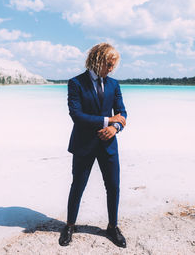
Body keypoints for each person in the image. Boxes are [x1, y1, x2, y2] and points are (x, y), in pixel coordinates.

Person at [59, 43, 127, 248]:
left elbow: (122, 113)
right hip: (83, 144)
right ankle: (70, 225)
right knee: (78, 186)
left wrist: (115, 128)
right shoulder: (76, 83)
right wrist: (108, 121)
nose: (111, 69)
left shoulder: (114, 84)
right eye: (108, 64)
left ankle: (112, 227)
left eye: (113, 65)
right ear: (97, 60)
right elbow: (77, 116)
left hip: (109, 145)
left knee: (113, 187)